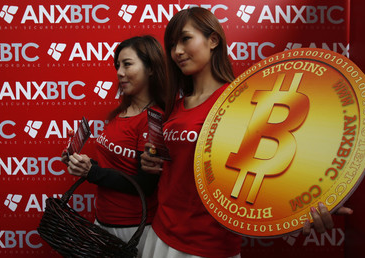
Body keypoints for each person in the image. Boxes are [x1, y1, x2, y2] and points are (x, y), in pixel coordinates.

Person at [140, 7, 353, 258]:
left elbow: (278, 159)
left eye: (185, 39)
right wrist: (152, 162)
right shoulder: (175, 106)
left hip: (208, 244)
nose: (177, 51)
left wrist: (310, 202)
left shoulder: (242, 101)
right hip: (160, 233)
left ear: (213, 40)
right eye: (172, 44)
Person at [62, 35, 167, 257]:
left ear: (150, 68)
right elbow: (115, 167)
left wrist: (93, 172)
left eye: (127, 64)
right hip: (103, 224)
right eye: (117, 65)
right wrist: (82, 163)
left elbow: (146, 184)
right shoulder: (121, 114)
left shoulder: (152, 119)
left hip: (133, 231)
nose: (119, 72)